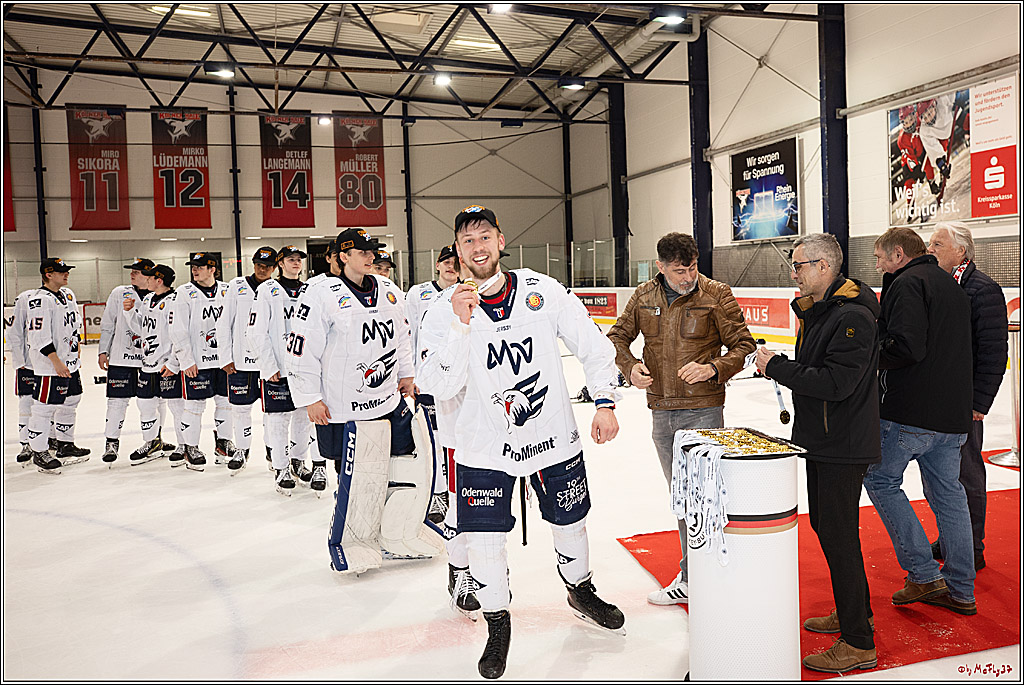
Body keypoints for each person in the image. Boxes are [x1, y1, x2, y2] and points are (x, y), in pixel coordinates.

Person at [418, 205, 624, 680]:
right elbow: (436, 384)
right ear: (457, 250)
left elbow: (592, 344)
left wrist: (605, 401)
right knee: (486, 540)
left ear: (500, 240)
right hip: (483, 444)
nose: (478, 247)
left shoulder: (541, 289)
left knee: (571, 521)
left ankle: (579, 590)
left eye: (484, 236)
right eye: (468, 240)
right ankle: (497, 621)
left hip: (551, 434)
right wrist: (460, 323)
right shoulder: (442, 310)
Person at [606, 231, 754, 605]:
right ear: (660, 266)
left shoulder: (716, 294)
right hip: (661, 413)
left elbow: (744, 345)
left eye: (692, 268)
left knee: (704, 496)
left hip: (703, 410)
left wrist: (713, 368)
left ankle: (705, 574)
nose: (688, 277)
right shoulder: (644, 296)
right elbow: (616, 338)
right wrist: (630, 366)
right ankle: (694, 576)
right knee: (683, 499)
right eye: (678, 271)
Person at [755, 234, 879, 674]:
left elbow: (835, 383)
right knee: (828, 529)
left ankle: (859, 642)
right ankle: (854, 613)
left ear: (824, 266)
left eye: (799, 265)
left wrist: (777, 367)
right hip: (823, 440)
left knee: (839, 536)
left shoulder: (853, 317)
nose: (794, 272)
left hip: (843, 443)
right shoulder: (823, 311)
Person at [286, 228, 439, 573]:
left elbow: (401, 336)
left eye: (373, 251)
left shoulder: (388, 289)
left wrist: (407, 373)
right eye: (362, 252)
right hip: (342, 407)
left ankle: (392, 533)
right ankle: (354, 537)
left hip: (386, 400)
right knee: (354, 477)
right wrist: (310, 397)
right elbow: (301, 348)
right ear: (343, 256)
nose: (371, 257)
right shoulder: (320, 293)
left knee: (398, 467)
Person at [864, 227, 976, 616]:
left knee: (879, 480)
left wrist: (869, 357)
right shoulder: (950, 285)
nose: (878, 266)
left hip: (912, 413)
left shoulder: (908, 283)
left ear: (898, 254)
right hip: (952, 415)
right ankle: (961, 589)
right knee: (949, 495)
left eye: (880, 258)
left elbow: (907, 346)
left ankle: (924, 574)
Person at [926, 222, 1008, 570]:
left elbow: (993, 352)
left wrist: (979, 403)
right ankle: (951, 539)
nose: (930, 249)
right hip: (938, 399)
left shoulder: (982, 289)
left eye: (938, 244)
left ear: (961, 251)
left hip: (965, 403)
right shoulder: (937, 284)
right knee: (939, 476)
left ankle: (971, 547)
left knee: (967, 475)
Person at [247, 245, 315, 495]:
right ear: (280, 264)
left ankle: (298, 461)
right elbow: (256, 331)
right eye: (290, 259)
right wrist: (268, 365)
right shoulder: (268, 290)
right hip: (278, 368)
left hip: (304, 369)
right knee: (278, 420)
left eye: (299, 259)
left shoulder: (309, 290)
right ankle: (280, 467)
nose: (296, 263)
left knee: (303, 418)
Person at [405, 243, 461, 523]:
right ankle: (439, 492)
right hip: (427, 381)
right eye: (446, 261)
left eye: (455, 262)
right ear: (437, 265)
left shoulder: (468, 292)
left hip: (459, 382)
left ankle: (459, 491)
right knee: (435, 440)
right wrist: (412, 374)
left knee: (459, 438)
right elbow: (409, 334)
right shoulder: (419, 293)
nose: (451, 266)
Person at [24, 257, 88, 474]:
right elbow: (38, 336)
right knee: (43, 408)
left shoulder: (68, 294)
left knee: (71, 401)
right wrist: (56, 362)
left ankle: (65, 444)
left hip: (70, 363)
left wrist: (76, 347)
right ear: (48, 274)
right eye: (62, 272)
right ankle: (39, 451)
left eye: (67, 271)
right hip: (50, 365)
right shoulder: (39, 300)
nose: (66, 274)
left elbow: (75, 324)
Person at [169, 252, 232, 471]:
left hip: (223, 361)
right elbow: (177, 329)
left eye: (200, 266)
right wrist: (186, 360)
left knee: (225, 402)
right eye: (193, 267)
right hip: (197, 362)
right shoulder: (184, 292)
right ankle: (191, 447)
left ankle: (223, 444)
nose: (195, 270)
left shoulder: (227, 290)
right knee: (194, 406)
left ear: (213, 269)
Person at [218, 246, 277, 473]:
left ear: (274, 267)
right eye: (259, 265)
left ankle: (273, 450)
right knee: (240, 409)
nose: (263, 269)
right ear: (253, 264)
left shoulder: (276, 289)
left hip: (269, 363)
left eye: (267, 266)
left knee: (272, 412)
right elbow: (224, 323)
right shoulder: (237, 286)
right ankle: (242, 449)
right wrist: (225, 357)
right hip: (241, 363)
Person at [121, 264, 185, 465]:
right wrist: (130, 313)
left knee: (177, 407)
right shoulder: (148, 299)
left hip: (168, 365)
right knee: (146, 404)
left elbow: (180, 335)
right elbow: (142, 327)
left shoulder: (175, 301)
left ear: (159, 280)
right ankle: (152, 442)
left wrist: (174, 362)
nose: (146, 280)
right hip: (148, 363)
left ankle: (184, 445)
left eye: (149, 277)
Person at [99, 258, 155, 464]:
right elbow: (108, 323)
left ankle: (153, 440)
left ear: (148, 275)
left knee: (153, 403)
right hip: (121, 358)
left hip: (150, 360)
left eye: (137, 272)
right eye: (132, 271)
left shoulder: (158, 295)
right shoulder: (119, 292)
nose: (132, 274)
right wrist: (103, 350)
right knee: (116, 402)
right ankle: (111, 442)